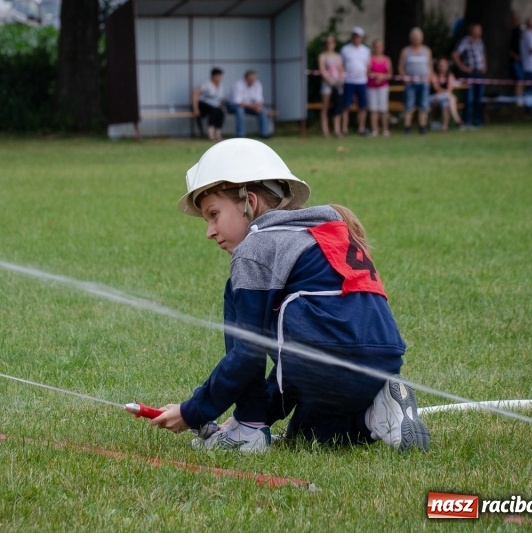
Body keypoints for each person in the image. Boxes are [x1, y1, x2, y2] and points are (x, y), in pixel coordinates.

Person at [150, 138, 431, 454]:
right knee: (312, 436)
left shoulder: (254, 250)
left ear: (249, 202)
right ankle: (378, 410)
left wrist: (194, 411)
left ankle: (249, 430)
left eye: (214, 214)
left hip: (326, 357)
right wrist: (258, 413)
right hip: (383, 360)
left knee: (239, 299)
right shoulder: (322, 232)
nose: (210, 231)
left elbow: (248, 353)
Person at [452, 23, 487, 127]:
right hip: (470, 74)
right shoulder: (465, 41)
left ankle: (477, 120)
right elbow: (455, 54)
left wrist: (484, 66)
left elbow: (483, 54)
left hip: (479, 73)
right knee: (469, 98)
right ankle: (466, 120)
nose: (480, 32)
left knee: (479, 98)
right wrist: (463, 67)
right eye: (478, 30)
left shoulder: (480, 42)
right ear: (472, 31)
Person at [399, 27, 433, 135]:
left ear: (422, 38)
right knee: (409, 105)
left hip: (424, 82)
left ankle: (422, 127)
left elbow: (430, 66)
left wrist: (429, 77)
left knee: (423, 105)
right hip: (411, 83)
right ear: (411, 39)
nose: (416, 39)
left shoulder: (426, 51)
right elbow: (401, 67)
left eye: (418, 37)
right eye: (414, 37)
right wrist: (404, 77)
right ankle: (407, 127)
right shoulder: (406, 51)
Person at [340, 27, 371, 135]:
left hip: (361, 81)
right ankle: (344, 129)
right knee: (346, 106)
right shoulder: (345, 49)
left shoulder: (366, 50)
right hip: (349, 81)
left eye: (358, 37)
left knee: (362, 106)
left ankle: (361, 128)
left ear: (361, 38)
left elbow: (368, 66)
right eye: (354, 36)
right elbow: (342, 65)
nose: (356, 38)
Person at [226, 70, 270, 139]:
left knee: (262, 110)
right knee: (240, 110)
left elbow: (259, 99)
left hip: (250, 107)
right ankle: (240, 135)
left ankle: (264, 134)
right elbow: (238, 102)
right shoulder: (238, 85)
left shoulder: (257, 84)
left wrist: (257, 106)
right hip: (233, 106)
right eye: (251, 79)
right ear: (245, 78)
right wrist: (252, 106)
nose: (253, 81)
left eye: (254, 79)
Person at [317, 34, 344, 139]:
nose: (330, 44)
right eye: (328, 42)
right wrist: (331, 82)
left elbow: (341, 70)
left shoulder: (338, 56)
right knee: (325, 106)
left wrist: (341, 80)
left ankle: (337, 130)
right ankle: (325, 131)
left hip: (337, 84)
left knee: (337, 107)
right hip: (327, 84)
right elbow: (322, 70)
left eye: (331, 42)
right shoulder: (322, 56)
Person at [192, 67, 226, 142]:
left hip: (215, 105)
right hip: (203, 104)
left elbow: (220, 98)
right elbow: (195, 94)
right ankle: (211, 134)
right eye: (218, 76)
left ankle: (218, 133)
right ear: (213, 76)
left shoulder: (221, 85)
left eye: (220, 76)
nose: (219, 78)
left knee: (221, 112)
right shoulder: (206, 84)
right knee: (213, 111)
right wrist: (196, 109)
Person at [430, 57, 463, 131]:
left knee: (446, 103)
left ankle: (445, 127)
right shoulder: (434, 75)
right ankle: (456, 119)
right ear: (437, 66)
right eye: (440, 65)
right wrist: (444, 92)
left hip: (444, 97)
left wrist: (443, 93)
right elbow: (436, 88)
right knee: (451, 97)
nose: (442, 67)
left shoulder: (450, 76)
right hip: (433, 97)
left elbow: (450, 89)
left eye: (444, 65)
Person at [367, 39, 392, 137]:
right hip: (372, 86)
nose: (378, 48)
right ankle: (374, 129)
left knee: (383, 109)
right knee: (373, 109)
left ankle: (385, 129)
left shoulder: (387, 59)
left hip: (383, 86)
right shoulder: (370, 59)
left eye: (380, 46)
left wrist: (382, 77)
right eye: (376, 46)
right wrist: (375, 76)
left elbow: (389, 74)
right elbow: (367, 72)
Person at [510, 11, 525, 101]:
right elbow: (508, 48)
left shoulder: (520, 30)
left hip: (521, 59)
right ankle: (518, 98)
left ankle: (520, 97)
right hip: (515, 59)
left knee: (522, 79)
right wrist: (515, 56)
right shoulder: (511, 32)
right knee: (519, 79)